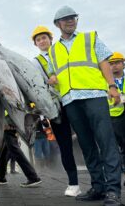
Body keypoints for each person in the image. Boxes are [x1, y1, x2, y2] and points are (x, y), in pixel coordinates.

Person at [48, 6, 122, 206]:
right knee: (87, 146)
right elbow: (54, 72)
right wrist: (53, 77)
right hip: (71, 100)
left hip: (94, 96)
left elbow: (104, 62)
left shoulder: (89, 38)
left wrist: (112, 86)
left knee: (106, 142)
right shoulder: (53, 50)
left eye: (73, 18)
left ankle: (113, 190)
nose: (70, 21)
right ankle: (98, 187)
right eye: (65, 19)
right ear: (57, 24)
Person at [31, 25, 81, 197]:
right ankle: (73, 183)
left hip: (74, 100)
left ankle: (98, 180)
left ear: (51, 39)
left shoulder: (62, 51)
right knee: (65, 145)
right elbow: (36, 85)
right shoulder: (36, 62)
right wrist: (47, 83)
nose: (42, 41)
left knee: (86, 139)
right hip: (56, 107)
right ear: (36, 44)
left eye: (44, 37)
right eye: (38, 40)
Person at [0, 121, 42, 188]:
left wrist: (8, 123)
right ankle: (0, 177)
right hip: (7, 125)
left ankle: (33, 177)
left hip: (9, 125)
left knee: (14, 149)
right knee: (3, 152)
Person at [108, 52, 125, 186]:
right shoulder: (106, 84)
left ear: (123, 64)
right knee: (123, 146)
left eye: (117, 62)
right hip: (115, 117)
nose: (114, 66)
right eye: (111, 63)